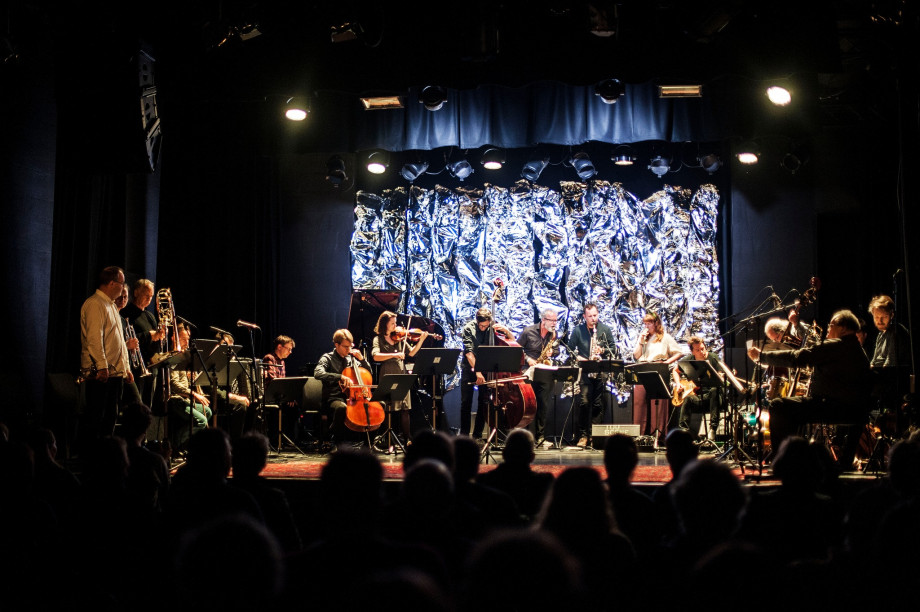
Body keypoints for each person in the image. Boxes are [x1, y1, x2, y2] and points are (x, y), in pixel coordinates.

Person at [747, 309, 872, 469]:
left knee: (778, 406)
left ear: (843, 329)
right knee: (793, 408)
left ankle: (785, 463)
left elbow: (798, 357)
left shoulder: (837, 345)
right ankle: (797, 459)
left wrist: (763, 356)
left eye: (831, 325)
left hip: (833, 407)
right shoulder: (858, 350)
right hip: (853, 409)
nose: (828, 328)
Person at [79, 266, 134, 451]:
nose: (123, 287)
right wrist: (102, 367)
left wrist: (126, 367)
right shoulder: (95, 304)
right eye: (121, 283)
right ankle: (91, 458)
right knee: (97, 418)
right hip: (101, 374)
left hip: (114, 373)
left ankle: (105, 458)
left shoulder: (111, 306)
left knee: (110, 417)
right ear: (111, 283)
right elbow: (94, 338)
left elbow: (118, 340)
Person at [371, 311, 428, 443]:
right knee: (388, 408)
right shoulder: (378, 339)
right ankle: (388, 439)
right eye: (392, 323)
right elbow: (375, 356)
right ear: (385, 324)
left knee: (404, 408)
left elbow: (412, 353)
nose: (395, 326)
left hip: (401, 375)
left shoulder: (400, 339)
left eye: (395, 323)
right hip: (387, 375)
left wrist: (421, 340)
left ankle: (407, 439)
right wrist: (394, 355)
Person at [567, 302, 618, 448]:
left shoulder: (605, 329)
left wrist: (603, 351)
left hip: (600, 370)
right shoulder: (578, 330)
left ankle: (595, 435)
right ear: (584, 316)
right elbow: (570, 349)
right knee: (584, 402)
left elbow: (613, 348)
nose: (593, 319)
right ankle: (583, 435)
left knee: (598, 404)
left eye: (595, 315)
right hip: (585, 369)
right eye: (590, 316)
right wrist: (579, 358)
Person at [459, 307, 513, 440]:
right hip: (470, 367)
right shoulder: (468, 329)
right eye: (481, 326)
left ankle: (477, 436)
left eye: (486, 326)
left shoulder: (492, 327)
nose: (484, 328)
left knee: (483, 402)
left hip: (487, 368)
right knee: (466, 401)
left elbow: (512, 341)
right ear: (477, 322)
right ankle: (464, 436)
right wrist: (478, 372)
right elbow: (469, 354)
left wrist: (507, 331)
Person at [314, 329, 373, 447]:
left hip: (354, 396)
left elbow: (368, 373)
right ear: (337, 345)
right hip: (333, 397)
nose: (348, 350)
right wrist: (340, 377)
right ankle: (337, 443)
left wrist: (362, 359)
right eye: (345, 347)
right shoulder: (327, 358)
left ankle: (368, 445)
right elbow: (318, 373)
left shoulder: (351, 359)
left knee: (378, 405)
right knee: (341, 408)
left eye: (350, 346)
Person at [632, 311, 682, 440]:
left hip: (658, 368)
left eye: (649, 323)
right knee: (639, 399)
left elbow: (678, 352)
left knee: (658, 402)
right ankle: (639, 435)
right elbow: (636, 356)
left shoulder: (664, 337)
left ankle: (658, 435)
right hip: (644, 368)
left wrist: (666, 363)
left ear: (656, 323)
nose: (647, 326)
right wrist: (640, 341)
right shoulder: (644, 338)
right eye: (645, 324)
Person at [121, 279, 167, 410]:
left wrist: (161, 336)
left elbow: (156, 342)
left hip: (150, 368)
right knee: (136, 407)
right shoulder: (126, 313)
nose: (149, 298)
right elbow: (128, 338)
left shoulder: (150, 316)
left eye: (151, 296)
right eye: (146, 295)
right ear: (135, 293)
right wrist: (150, 335)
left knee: (148, 407)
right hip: (135, 369)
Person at [167, 321, 213, 451]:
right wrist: (193, 394)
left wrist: (188, 376)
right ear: (174, 338)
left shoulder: (183, 356)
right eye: (183, 339)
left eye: (187, 340)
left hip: (184, 399)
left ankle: (185, 442)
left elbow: (181, 379)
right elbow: (174, 384)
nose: (186, 343)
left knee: (208, 411)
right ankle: (175, 444)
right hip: (176, 399)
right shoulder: (173, 356)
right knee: (202, 421)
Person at [517, 308, 559, 447]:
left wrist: (552, 353)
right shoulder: (528, 331)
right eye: (552, 320)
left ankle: (540, 437)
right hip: (528, 371)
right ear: (544, 320)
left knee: (543, 405)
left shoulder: (553, 335)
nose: (554, 323)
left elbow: (557, 351)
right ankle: (527, 438)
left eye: (555, 320)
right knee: (529, 405)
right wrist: (528, 359)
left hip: (544, 372)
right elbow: (517, 349)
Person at [671, 336, 724, 440]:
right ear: (692, 352)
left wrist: (720, 376)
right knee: (688, 398)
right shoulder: (688, 360)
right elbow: (675, 371)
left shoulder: (713, 358)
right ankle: (683, 432)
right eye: (698, 350)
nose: (702, 352)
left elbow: (720, 375)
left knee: (714, 390)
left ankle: (712, 429)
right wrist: (678, 384)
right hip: (698, 396)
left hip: (713, 396)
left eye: (703, 348)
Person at [263, 335, 296, 444]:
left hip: (280, 396)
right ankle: (275, 439)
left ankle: (290, 437)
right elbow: (273, 380)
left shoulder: (282, 362)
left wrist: (289, 396)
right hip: (271, 396)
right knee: (278, 410)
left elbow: (283, 383)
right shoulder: (269, 358)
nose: (290, 352)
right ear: (279, 347)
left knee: (296, 407)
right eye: (288, 349)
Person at [115, 284, 143, 406]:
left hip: (125, 369)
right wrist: (127, 345)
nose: (123, 299)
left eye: (125, 297)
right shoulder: (111, 317)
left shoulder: (122, 319)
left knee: (136, 404)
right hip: (114, 370)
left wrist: (132, 350)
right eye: (120, 297)